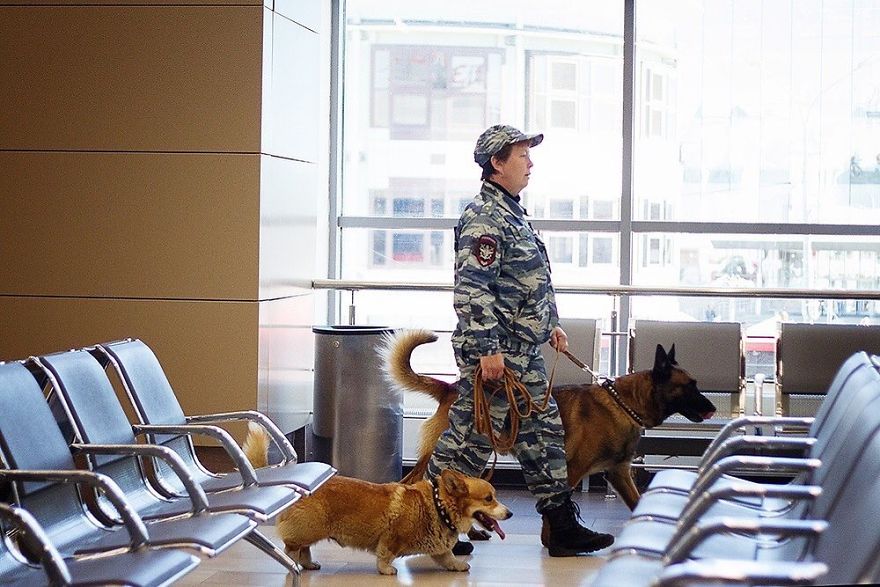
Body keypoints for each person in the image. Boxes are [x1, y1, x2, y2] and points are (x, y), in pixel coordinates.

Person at [425, 124, 615, 556]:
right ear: (497, 163)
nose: (531, 163)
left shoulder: (512, 213)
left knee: (541, 435)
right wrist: (489, 349)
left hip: (521, 352)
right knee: (470, 441)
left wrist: (550, 323)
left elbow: (527, 280)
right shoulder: (483, 218)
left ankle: (560, 525)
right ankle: (429, 521)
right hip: (497, 357)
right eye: (522, 155)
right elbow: (473, 290)